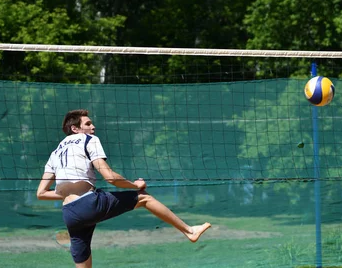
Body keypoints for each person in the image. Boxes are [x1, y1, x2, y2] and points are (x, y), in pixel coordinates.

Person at [37, 109, 211, 268]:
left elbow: (41, 194)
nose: (93, 126)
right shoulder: (88, 139)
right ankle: (190, 231)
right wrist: (136, 185)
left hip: (69, 214)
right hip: (89, 204)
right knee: (144, 197)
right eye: (88, 124)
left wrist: (68, 193)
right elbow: (111, 177)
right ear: (75, 129)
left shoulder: (54, 154)